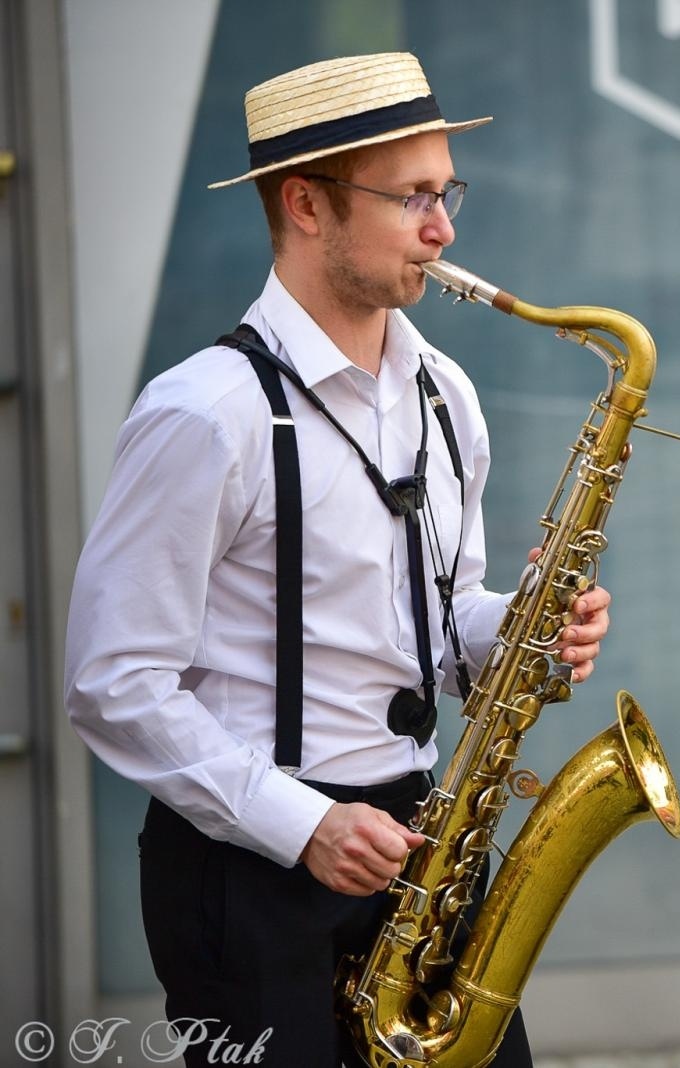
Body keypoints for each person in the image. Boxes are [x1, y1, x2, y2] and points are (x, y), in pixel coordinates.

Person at [63, 53, 608, 1066]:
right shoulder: (203, 413)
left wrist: (522, 627)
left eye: (447, 192)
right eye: (412, 198)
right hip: (248, 868)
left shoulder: (446, 395)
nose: (443, 230)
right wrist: (302, 825)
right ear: (307, 205)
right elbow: (112, 680)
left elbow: (441, 616)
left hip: (421, 846)